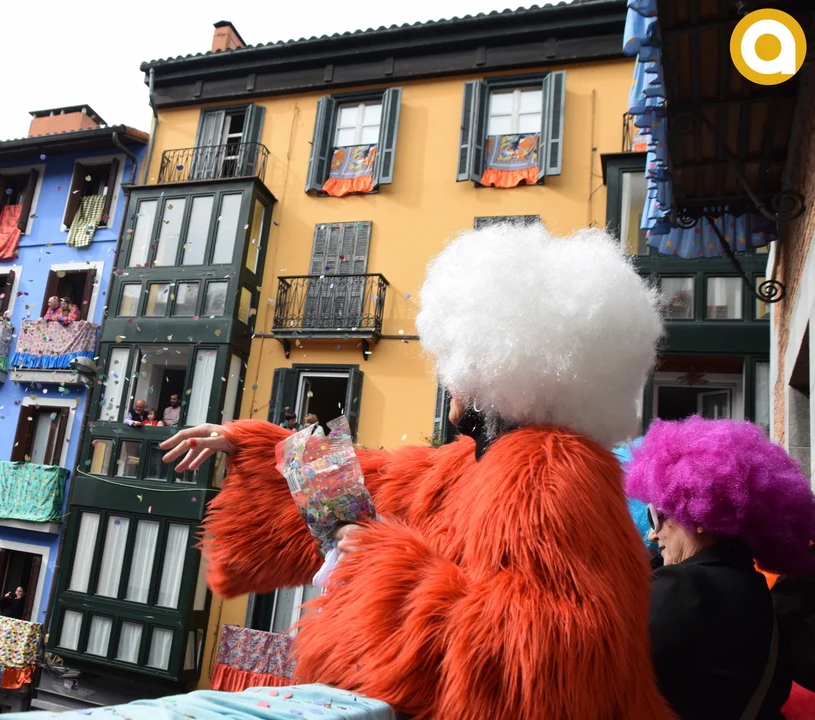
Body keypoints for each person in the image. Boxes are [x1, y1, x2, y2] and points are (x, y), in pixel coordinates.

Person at [160, 223, 674, 718]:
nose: (447, 380)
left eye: (452, 361)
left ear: (493, 372)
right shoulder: (475, 461)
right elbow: (377, 482)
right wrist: (251, 443)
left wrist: (380, 561)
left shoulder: (552, 471)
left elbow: (541, 661)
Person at [625, 417, 815, 720]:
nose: (652, 534)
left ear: (698, 515)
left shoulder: (680, 588)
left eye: (655, 516)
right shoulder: (755, 589)